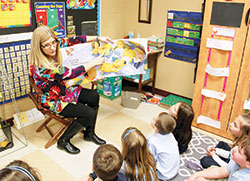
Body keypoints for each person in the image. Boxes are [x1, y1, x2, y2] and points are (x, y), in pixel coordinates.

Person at [30, 25, 113, 154]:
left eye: (54, 42)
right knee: (88, 113)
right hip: (53, 99)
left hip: (65, 89)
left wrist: (98, 38)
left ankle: (89, 133)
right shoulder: (41, 66)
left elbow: (74, 40)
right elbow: (70, 73)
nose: (52, 47)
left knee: (94, 96)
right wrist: (94, 62)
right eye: (47, 45)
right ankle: (63, 140)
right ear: (38, 47)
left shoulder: (55, 45)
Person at [148, 112, 180, 180]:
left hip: (163, 175)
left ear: (156, 128)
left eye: (154, 119)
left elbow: (150, 159)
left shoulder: (152, 141)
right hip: (174, 170)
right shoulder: (171, 135)